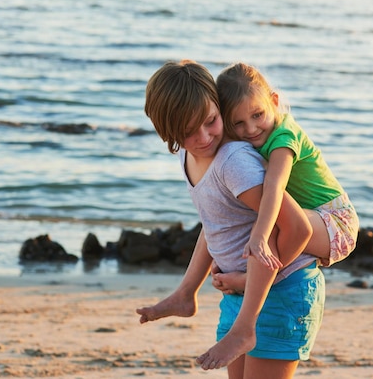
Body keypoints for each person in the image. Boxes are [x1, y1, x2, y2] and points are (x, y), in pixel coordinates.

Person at [136, 60, 325, 378]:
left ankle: (241, 325)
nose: (203, 137)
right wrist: (190, 287)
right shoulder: (190, 156)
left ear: (217, 105)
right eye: (187, 132)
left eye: (210, 121)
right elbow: (216, 225)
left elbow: (297, 228)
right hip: (242, 297)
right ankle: (185, 296)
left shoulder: (235, 162)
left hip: (281, 292)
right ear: (166, 133)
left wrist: (250, 281)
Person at [211, 62, 359, 296]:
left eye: (257, 115)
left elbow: (274, 185)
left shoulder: (284, 136)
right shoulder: (252, 140)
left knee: (269, 227)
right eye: (238, 123)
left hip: (337, 223)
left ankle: (255, 280)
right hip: (315, 217)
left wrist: (259, 236)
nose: (250, 129)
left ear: (275, 101)